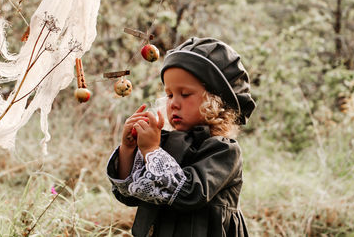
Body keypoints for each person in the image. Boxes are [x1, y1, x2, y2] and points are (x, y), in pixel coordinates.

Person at [107, 37, 256, 237]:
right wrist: (128, 149)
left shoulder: (224, 151)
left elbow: (190, 193)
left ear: (215, 101)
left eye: (184, 94)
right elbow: (130, 194)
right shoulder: (165, 143)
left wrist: (151, 151)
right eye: (169, 95)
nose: (174, 104)